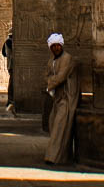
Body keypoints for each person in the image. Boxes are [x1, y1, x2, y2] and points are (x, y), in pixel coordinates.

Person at [44, 32, 80, 167]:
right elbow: (46, 75)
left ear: (61, 45)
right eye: (53, 46)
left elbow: (61, 77)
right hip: (58, 97)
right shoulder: (52, 60)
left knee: (60, 125)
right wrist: (50, 82)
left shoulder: (67, 59)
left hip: (68, 96)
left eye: (57, 46)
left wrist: (50, 83)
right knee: (54, 123)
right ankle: (64, 156)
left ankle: (52, 157)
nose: (56, 48)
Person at [1, 28, 14, 113]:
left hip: (11, 64)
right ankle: (10, 100)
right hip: (12, 65)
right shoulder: (9, 42)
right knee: (12, 83)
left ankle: (11, 100)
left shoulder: (8, 41)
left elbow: (4, 53)